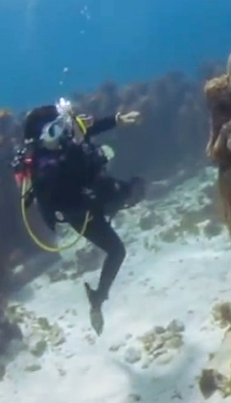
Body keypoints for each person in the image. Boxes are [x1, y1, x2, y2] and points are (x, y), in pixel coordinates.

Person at [17, 99, 146, 335]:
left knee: (138, 188)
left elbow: (86, 126)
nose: (64, 132)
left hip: (96, 192)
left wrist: (117, 120)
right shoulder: (45, 167)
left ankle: (97, 297)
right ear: (42, 138)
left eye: (62, 125)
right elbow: (66, 183)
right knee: (117, 251)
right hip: (80, 212)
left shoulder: (63, 138)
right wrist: (77, 145)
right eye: (56, 130)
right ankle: (98, 299)